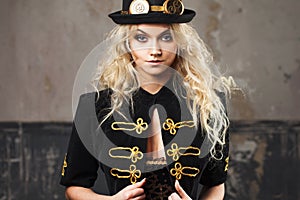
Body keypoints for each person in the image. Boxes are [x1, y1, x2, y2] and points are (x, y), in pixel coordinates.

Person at [60, 0, 234, 199]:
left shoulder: (209, 104)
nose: (155, 50)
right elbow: (74, 188)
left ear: (179, 43)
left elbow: (216, 184)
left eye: (166, 37)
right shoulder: (93, 106)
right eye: (142, 38)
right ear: (127, 44)